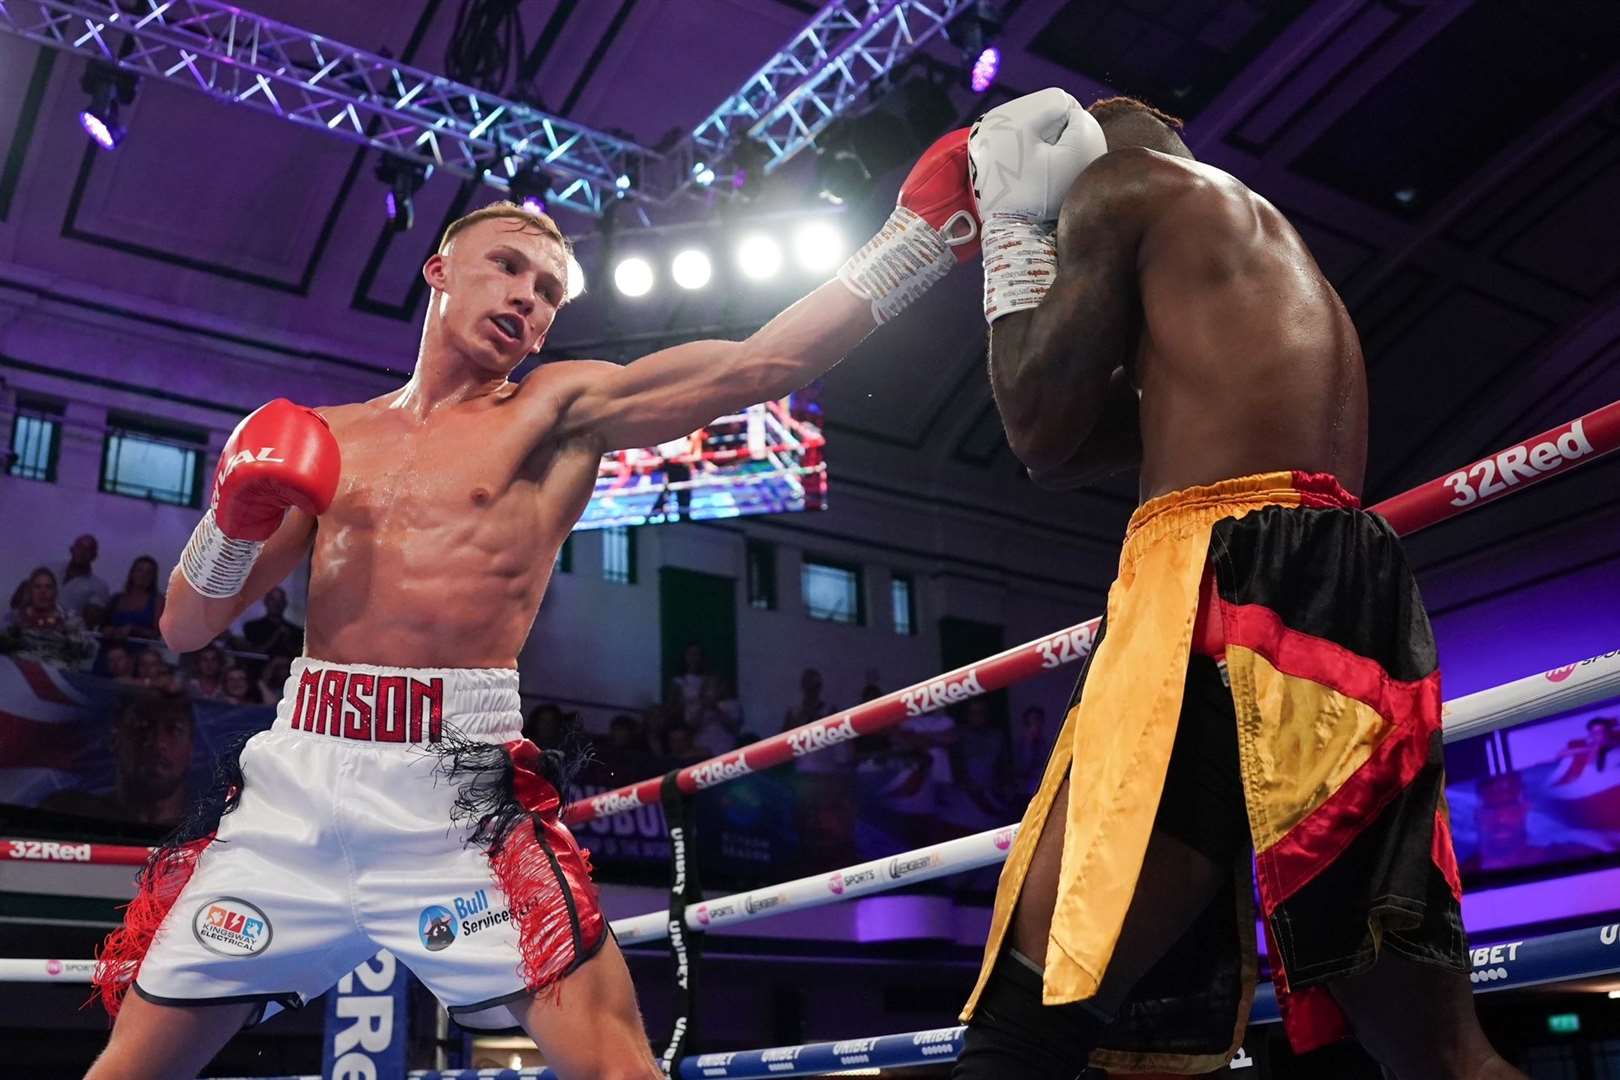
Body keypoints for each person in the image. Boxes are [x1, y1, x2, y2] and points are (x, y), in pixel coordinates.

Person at [89, 121, 980, 1078]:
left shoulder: (557, 411)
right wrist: (232, 518)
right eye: (508, 268)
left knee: (613, 1063)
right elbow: (187, 624)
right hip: (295, 786)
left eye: (548, 291)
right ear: (438, 271)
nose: (528, 297)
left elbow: (753, 367)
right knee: (135, 1066)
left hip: (454, 794)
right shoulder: (327, 438)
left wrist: (920, 240)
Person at [952, 89, 1521, 1079]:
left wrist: (1011, 227)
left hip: (1226, 594)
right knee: (1434, 1055)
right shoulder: (1252, 242)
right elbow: (1091, 435)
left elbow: (1037, 433)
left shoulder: (1117, 188)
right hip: (1346, 606)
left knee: (1031, 1016)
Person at [41, 692, 195, 828]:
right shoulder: (68, 811)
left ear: (191, 750)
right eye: (141, 726)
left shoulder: (211, 828)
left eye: (174, 730)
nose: (158, 742)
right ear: (114, 740)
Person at [1459, 771, 1600, 875]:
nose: (1501, 817)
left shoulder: (1572, 856)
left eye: (1510, 806)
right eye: (1491, 808)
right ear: (1477, 815)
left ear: (1524, 809)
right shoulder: (1457, 877)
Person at [1, 566, 95, 668]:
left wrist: (72, 635)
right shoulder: (15, 616)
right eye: (37, 587)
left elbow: (87, 653)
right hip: (20, 673)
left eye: (48, 587)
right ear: (30, 591)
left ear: (55, 592)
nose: (43, 591)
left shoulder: (71, 619)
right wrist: (13, 632)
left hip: (57, 675)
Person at [54, 533, 112, 629]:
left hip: (70, 638)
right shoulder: (50, 570)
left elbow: (91, 622)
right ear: (72, 549)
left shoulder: (99, 587)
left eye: (88, 549)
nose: (82, 552)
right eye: (79, 547)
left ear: (94, 556)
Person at [103, 555, 165, 643]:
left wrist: (134, 630)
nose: (143, 576)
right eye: (139, 571)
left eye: (148, 573)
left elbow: (157, 633)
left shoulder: (157, 601)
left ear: (153, 577)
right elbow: (103, 625)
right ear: (132, 573)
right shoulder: (116, 599)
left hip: (142, 650)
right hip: (111, 646)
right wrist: (109, 630)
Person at [239, 585, 303, 660]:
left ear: (285, 603)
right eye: (272, 600)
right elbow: (253, 652)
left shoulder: (297, 631)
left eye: (280, 600)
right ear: (265, 602)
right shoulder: (252, 627)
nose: (276, 604)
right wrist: (277, 634)